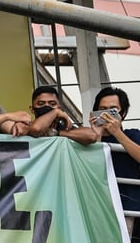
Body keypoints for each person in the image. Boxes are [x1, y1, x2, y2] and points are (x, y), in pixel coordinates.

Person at [90, 87, 140, 233]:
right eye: (102, 109)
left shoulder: (133, 135)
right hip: (96, 205)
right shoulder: (87, 137)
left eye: (113, 110)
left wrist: (117, 132)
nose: (107, 114)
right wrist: (96, 135)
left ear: (123, 113)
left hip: (127, 207)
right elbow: (91, 164)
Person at [27, 85, 97, 145]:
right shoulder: (25, 128)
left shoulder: (65, 128)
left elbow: (92, 136)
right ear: (32, 109)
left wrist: (58, 133)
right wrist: (55, 112)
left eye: (52, 104)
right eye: (41, 104)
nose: (47, 106)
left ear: (59, 107)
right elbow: (36, 129)